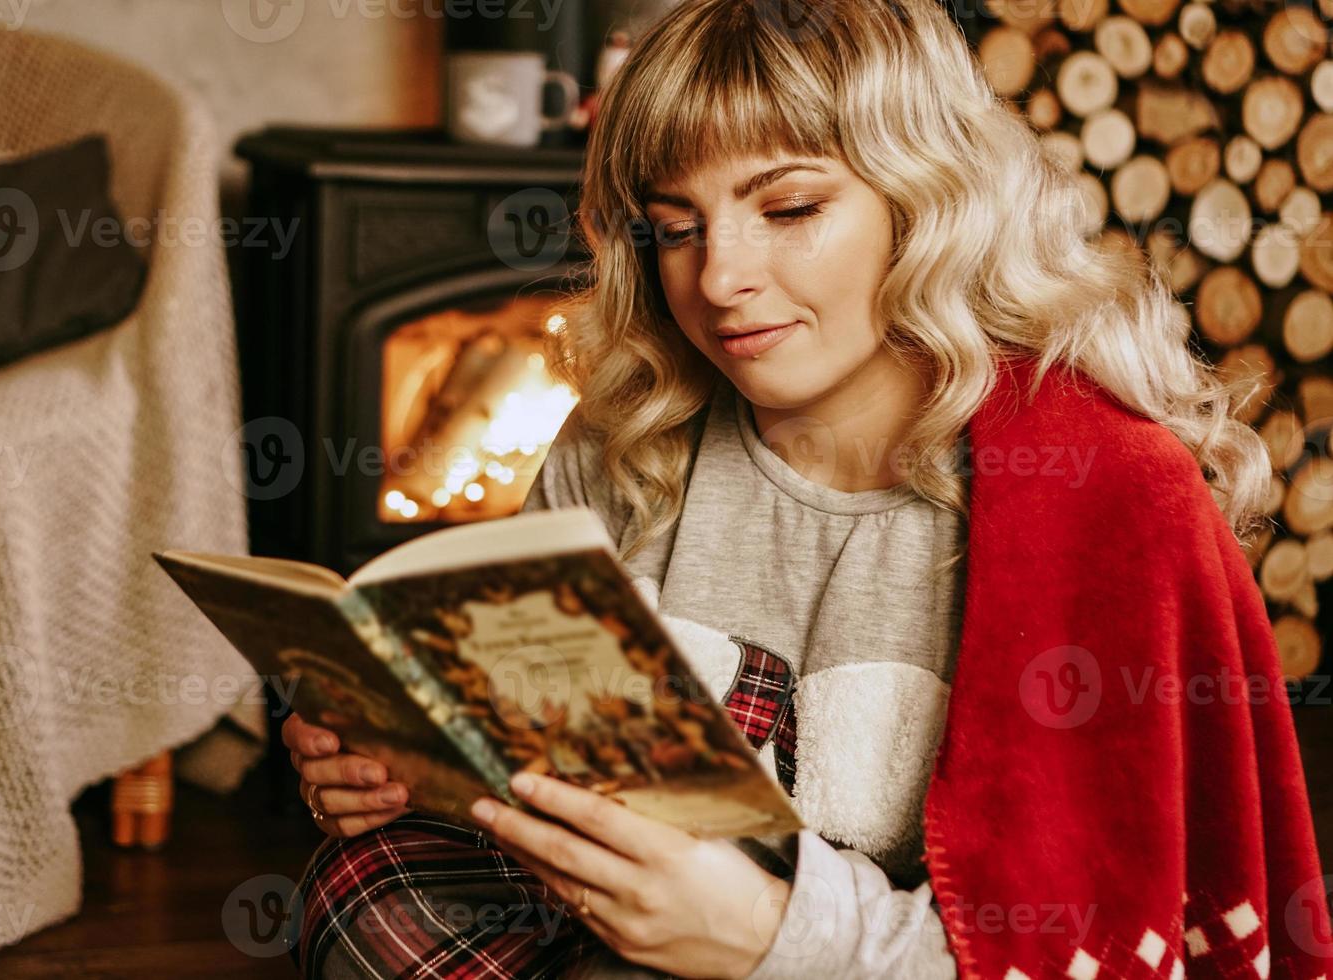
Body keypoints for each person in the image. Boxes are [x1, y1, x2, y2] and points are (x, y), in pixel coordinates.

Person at [281, 0, 1333, 977]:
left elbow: (1095, 942)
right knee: (361, 894)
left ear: (922, 199)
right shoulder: (624, 435)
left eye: (787, 207)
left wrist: (761, 934)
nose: (721, 278)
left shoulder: (1107, 491)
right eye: (676, 226)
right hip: (626, 913)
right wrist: (403, 761)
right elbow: (542, 774)